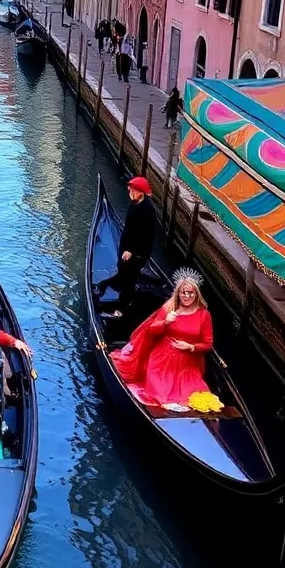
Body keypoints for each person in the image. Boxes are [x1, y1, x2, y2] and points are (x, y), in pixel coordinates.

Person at [110, 268, 220, 413]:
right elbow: (150, 330)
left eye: (190, 293)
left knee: (194, 397)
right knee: (160, 396)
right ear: (178, 293)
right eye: (183, 292)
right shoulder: (169, 309)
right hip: (161, 361)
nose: (186, 296)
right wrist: (165, 322)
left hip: (187, 366)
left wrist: (191, 347)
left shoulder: (204, 315)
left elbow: (208, 344)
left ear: (196, 294)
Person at [95, 176, 156, 317]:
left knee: (129, 279)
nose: (130, 193)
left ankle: (122, 309)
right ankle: (105, 285)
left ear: (141, 192)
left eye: (132, 191)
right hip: (127, 247)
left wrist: (132, 252)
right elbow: (130, 228)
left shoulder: (147, 210)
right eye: (129, 190)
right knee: (123, 271)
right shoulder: (135, 203)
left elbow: (144, 236)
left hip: (138, 252)